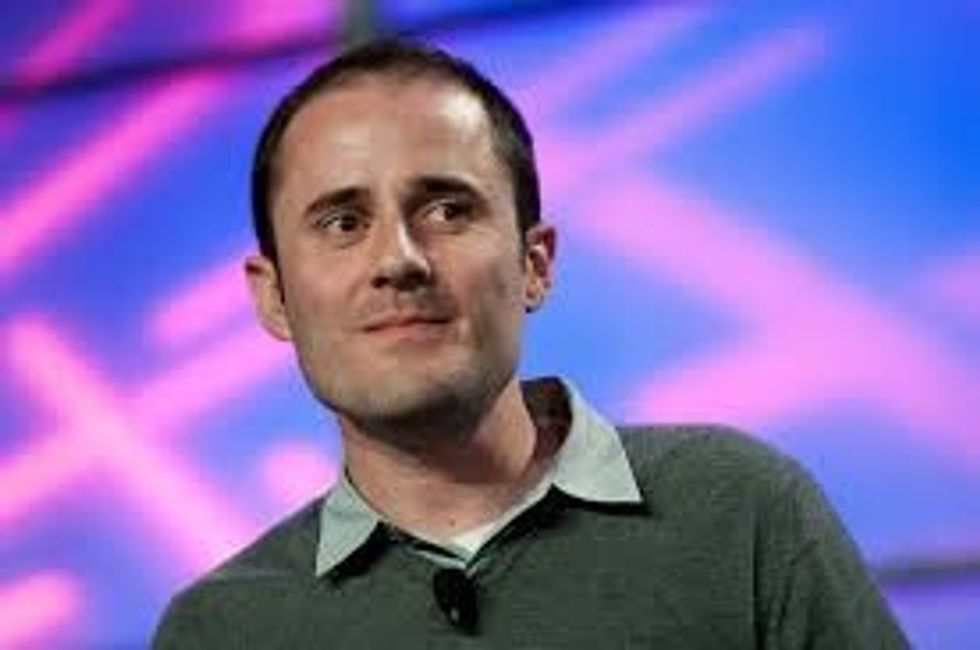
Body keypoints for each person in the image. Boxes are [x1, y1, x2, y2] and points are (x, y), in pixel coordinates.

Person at [152, 39, 909, 649]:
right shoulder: (220, 631)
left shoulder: (739, 510)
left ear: (535, 263)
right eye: (343, 223)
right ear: (274, 296)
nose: (399, 260)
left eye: (447, 210)